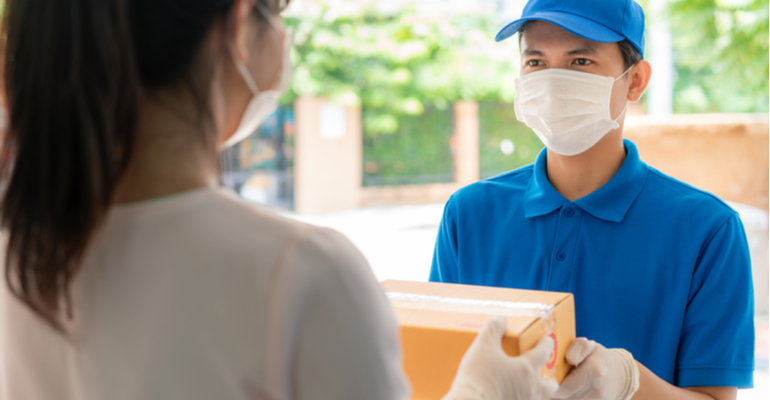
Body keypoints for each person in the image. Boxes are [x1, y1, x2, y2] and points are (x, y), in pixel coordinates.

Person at [0, 1, 561, 400]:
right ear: (240, 24)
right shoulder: (301, 273)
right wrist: (481, 391)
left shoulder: (17, 245)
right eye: (283, 12)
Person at [429, 0, 755, 399]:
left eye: (580, 61)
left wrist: (630, 381)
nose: (552, 82)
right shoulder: (469, 216)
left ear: (635, 81)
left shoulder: (707, 230)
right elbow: (437, 374)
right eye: (535, 62)